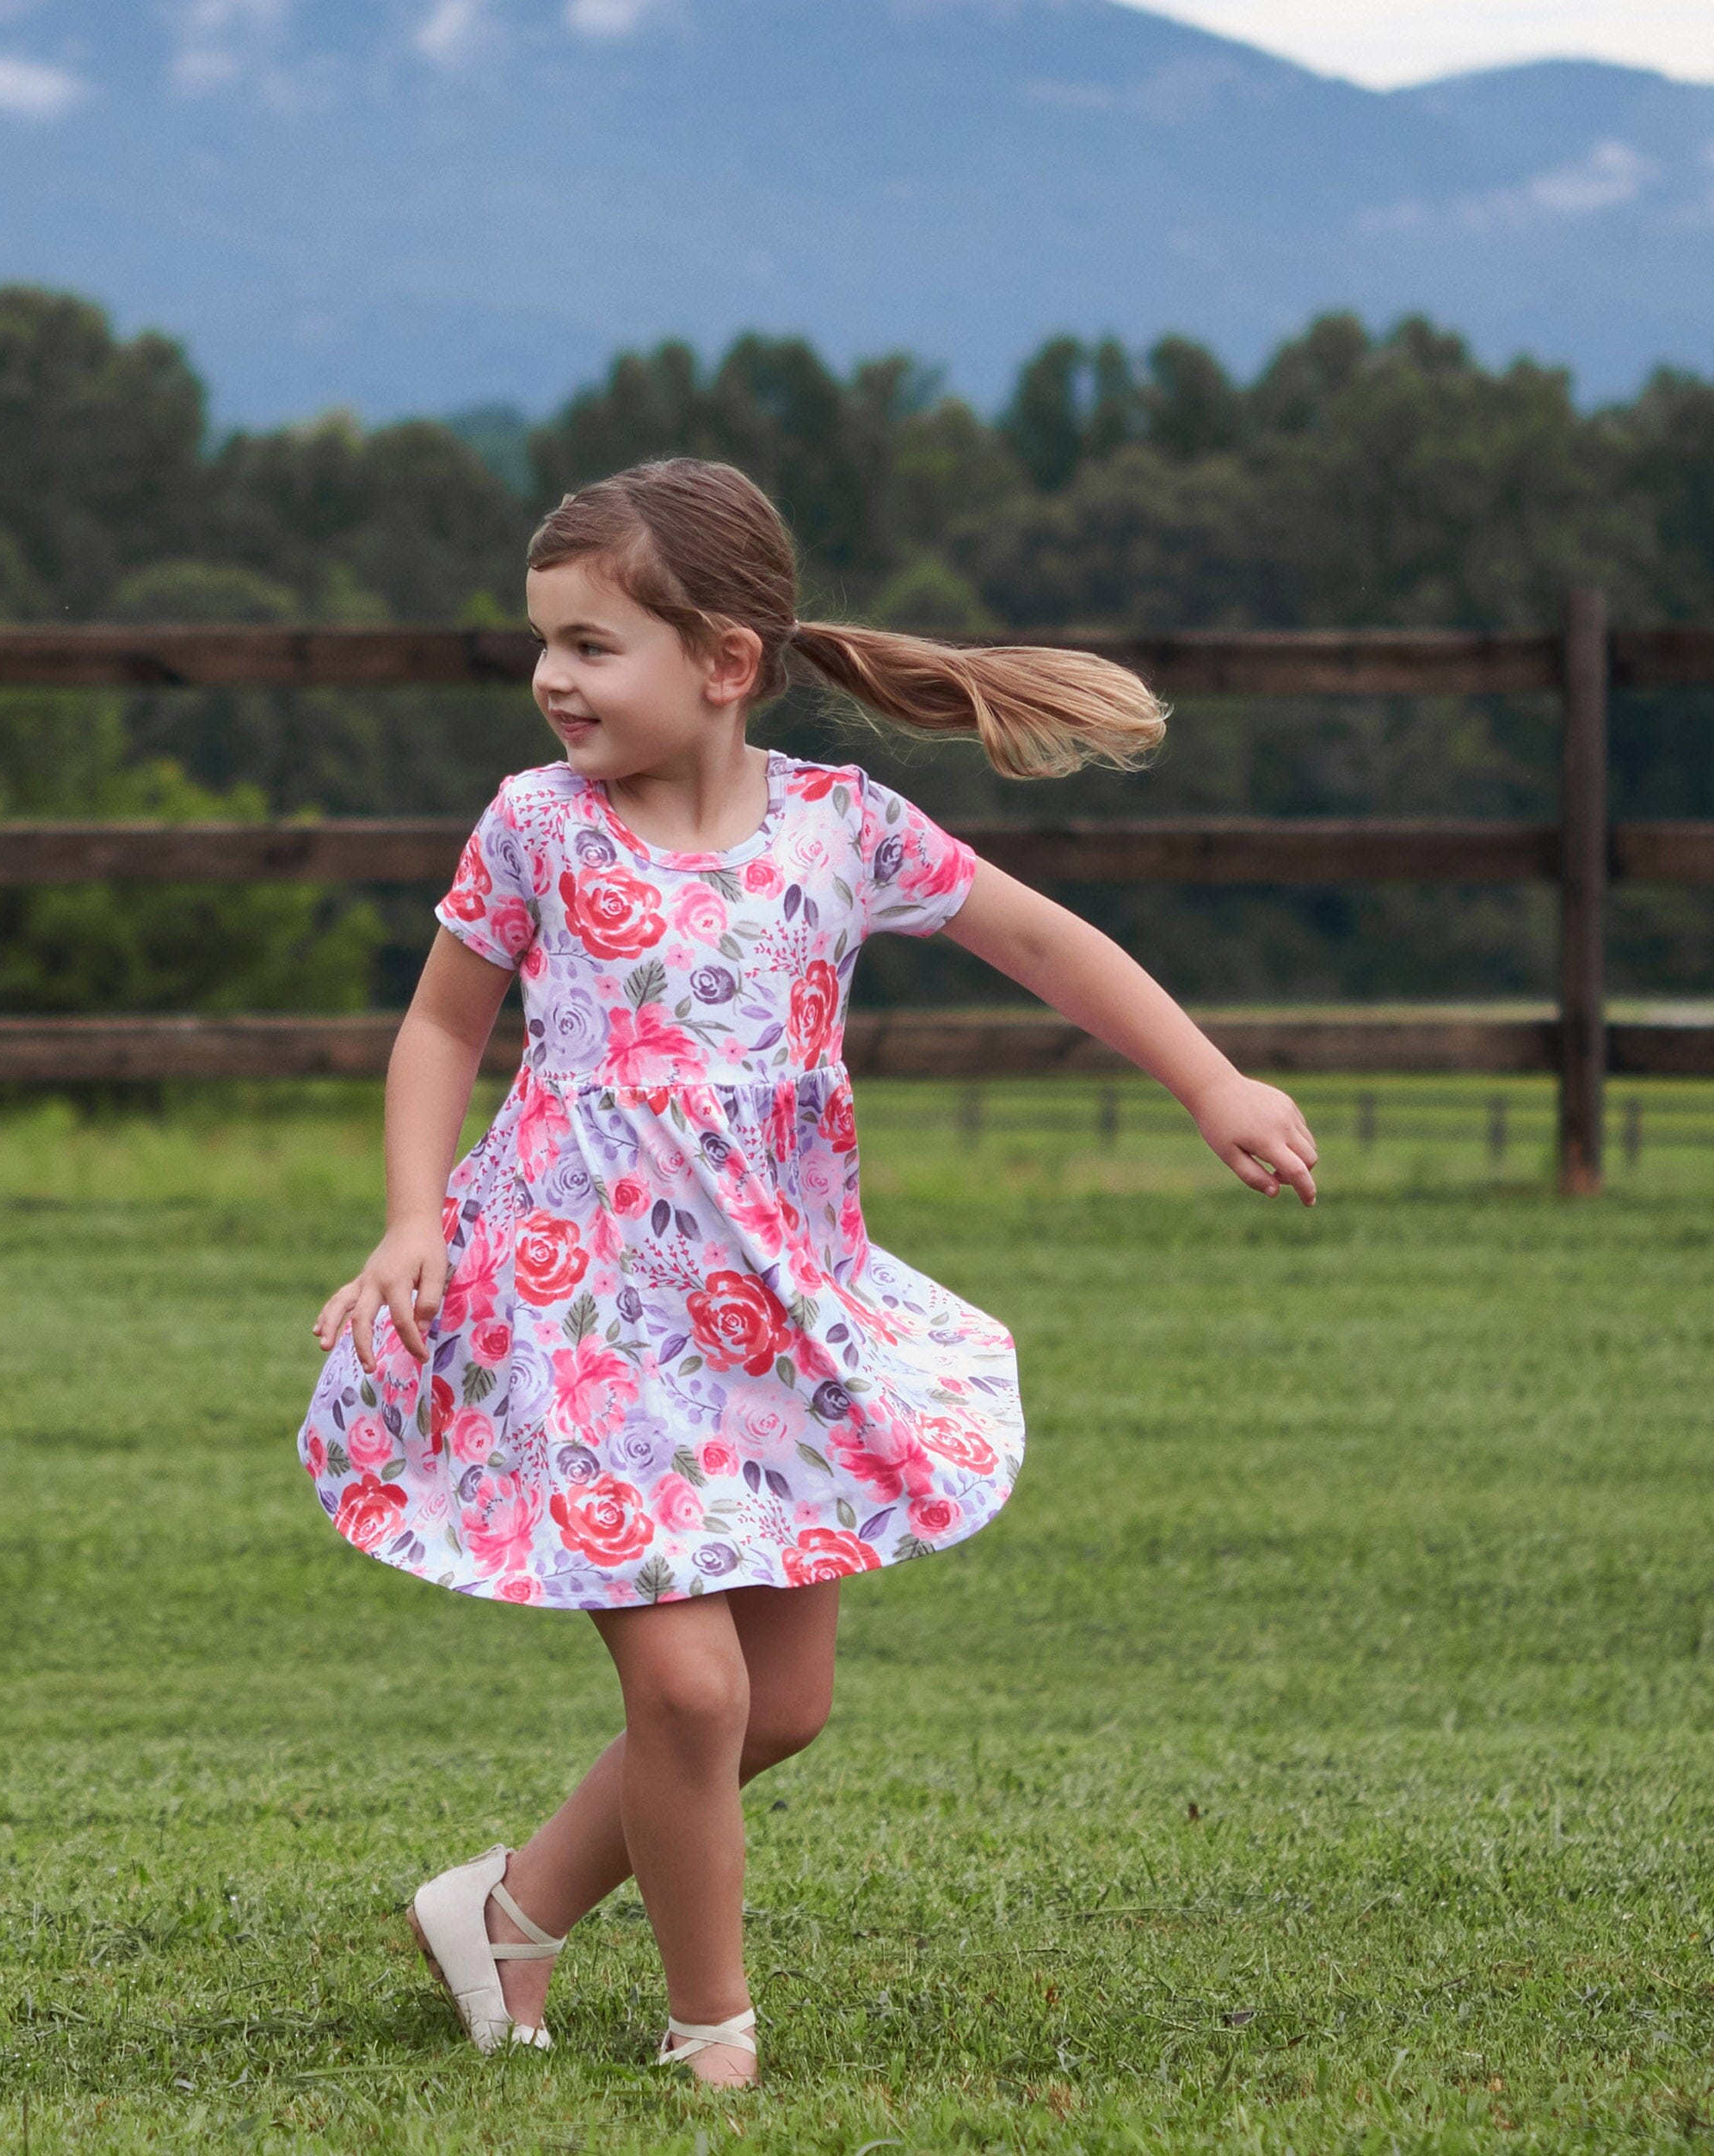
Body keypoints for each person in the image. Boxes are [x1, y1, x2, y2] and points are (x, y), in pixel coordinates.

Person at [299, 457, 1317, 2087]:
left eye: (592, 643)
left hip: (774, 1323)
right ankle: (715, 2047)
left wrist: (1213, 1081)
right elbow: (440, 1025)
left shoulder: (845, 831)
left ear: (724, 662)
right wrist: (415, 1215)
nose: (554, 676)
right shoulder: (536, 829)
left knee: (780, 1708)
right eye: (544, 643)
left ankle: (507, 1911)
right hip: (578, 1311)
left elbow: (1047, 940)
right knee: (693, 1698)